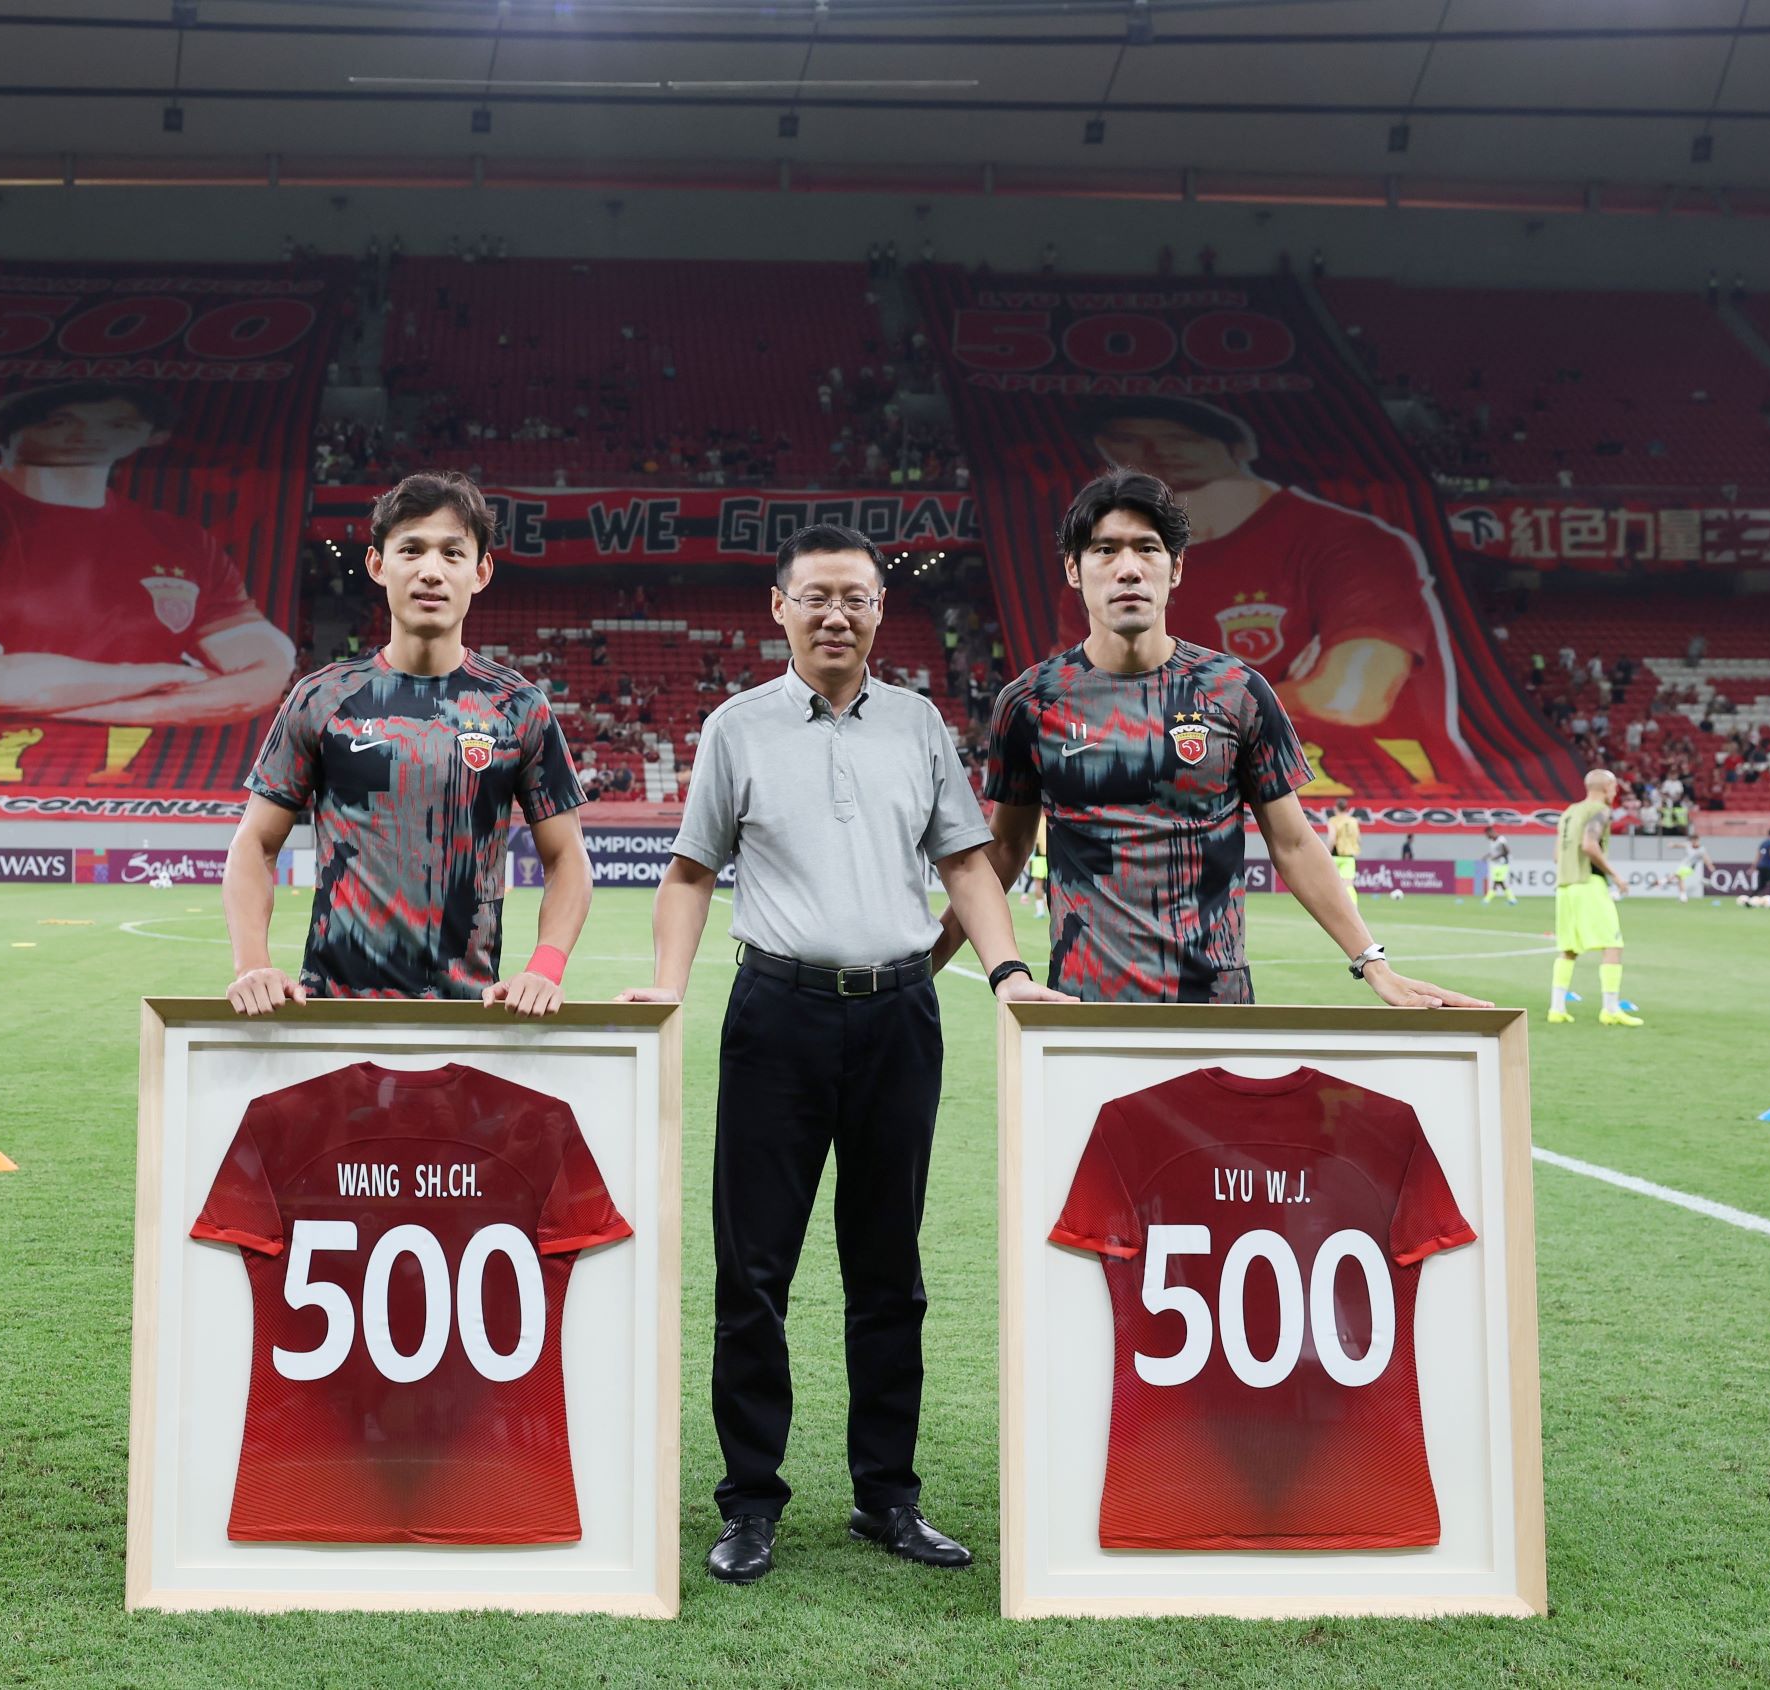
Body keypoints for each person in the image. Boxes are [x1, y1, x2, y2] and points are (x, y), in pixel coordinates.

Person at [619, 523, 1065, 1587]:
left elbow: (967, 863)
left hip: (898, 1017)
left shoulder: (917, 725)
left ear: (878, 610)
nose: (835, 615)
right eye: (815, 597)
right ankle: (749, 1503)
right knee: (752, 1270)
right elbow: (690, 872)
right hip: (775, 1016)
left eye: (855, 598)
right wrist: (669, 988)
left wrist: (1007, 972)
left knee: (888, 1268)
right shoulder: (735, 727)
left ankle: (886, 1497)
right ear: (778, 608)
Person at [936, 469, 1484, 1009]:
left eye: (1147, 549)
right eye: (1105, 550)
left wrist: (1373, 963)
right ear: (1074, 570)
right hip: (1083, 1011)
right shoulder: (1031, 703)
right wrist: (927, 965)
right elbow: (1005, 849)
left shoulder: (1236, 691)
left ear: (1175, 568)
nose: (1129, 569)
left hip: (1217, 1011)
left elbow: (1293, 843)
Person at [221, 471, 590, 1013]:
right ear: (378, 564)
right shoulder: (321, 698)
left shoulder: (518, 707)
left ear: (480, 572)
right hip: (332, 1015)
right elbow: (254, 843)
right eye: (411, 550)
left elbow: (567, 857)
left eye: (452, 553)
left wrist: (545, 969)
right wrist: (253, 963)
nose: (431, 571)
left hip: (470, 1015)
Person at [0, 381, 297, 756]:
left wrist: (71, 707)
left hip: (126, 774)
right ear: (2, 431)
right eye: (60, 421)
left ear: (150, 435)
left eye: (118, 423)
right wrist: (165, 675)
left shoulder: (184, 540)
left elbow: (264, 677)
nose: (88, 434)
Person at [1076, 397, 1482, 789]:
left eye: (1181, 439)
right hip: (1205, 786)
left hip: (1381, 786)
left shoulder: (1352, 542)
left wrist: (1172, 710)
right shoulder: (1116, 578)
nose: (1157, 452)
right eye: (1128, 440)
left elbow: (1347, 699)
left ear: (1238, 447)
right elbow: (1095, 708)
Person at [1552, 769, 1644, 1026]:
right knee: (1613, 945)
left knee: (1568, 949)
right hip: (1588, 884)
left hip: (1565, 887)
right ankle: (1611, 1009)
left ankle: (1556, 1008)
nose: (1615, 793)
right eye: (1614, 788)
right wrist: (1616, 876)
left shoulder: (1569, 812)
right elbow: (1589, 845)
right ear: (1606, 787)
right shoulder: (1600, 811)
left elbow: (1557, 856)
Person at [1327, 798, 1363, 903]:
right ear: (1346, 808)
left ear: (1336, 808)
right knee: (1348, 885)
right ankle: (1353, 908)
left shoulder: (1333, 820)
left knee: (1331, 884)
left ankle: (1331, 906)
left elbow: (1332, 838)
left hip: (1335, 855)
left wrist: (1328, 852)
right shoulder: (1353, 821)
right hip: (1348, 857)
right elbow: (1359, 839)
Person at [1481, 824, 1517, 905]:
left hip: (1503, 863)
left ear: (1491, 832)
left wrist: (1496, 857)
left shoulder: (1501, 839)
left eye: (1487, 834)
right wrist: (1486, 856)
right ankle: (1512, 899)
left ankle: (1487, 899)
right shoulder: (1492, 841)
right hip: (1496, 864)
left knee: (1497, 881)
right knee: (1500, 882)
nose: (1487, 836)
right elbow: (1493, 852)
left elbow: (1507, 851)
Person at [1675, 833, 1710, 904]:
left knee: (1678, 877)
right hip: (1684, 866)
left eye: (1694, 840)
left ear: (1697, 840)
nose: (1693, 842)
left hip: (1690, 868)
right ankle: (1683, 897)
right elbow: (1680, 845)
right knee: (1679, 879)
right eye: (1692, 840)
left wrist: (1710, 865)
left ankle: (1683, 897)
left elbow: (1705, 857)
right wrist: (1673, 845)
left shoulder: (1701, 849)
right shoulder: (1688, 845)